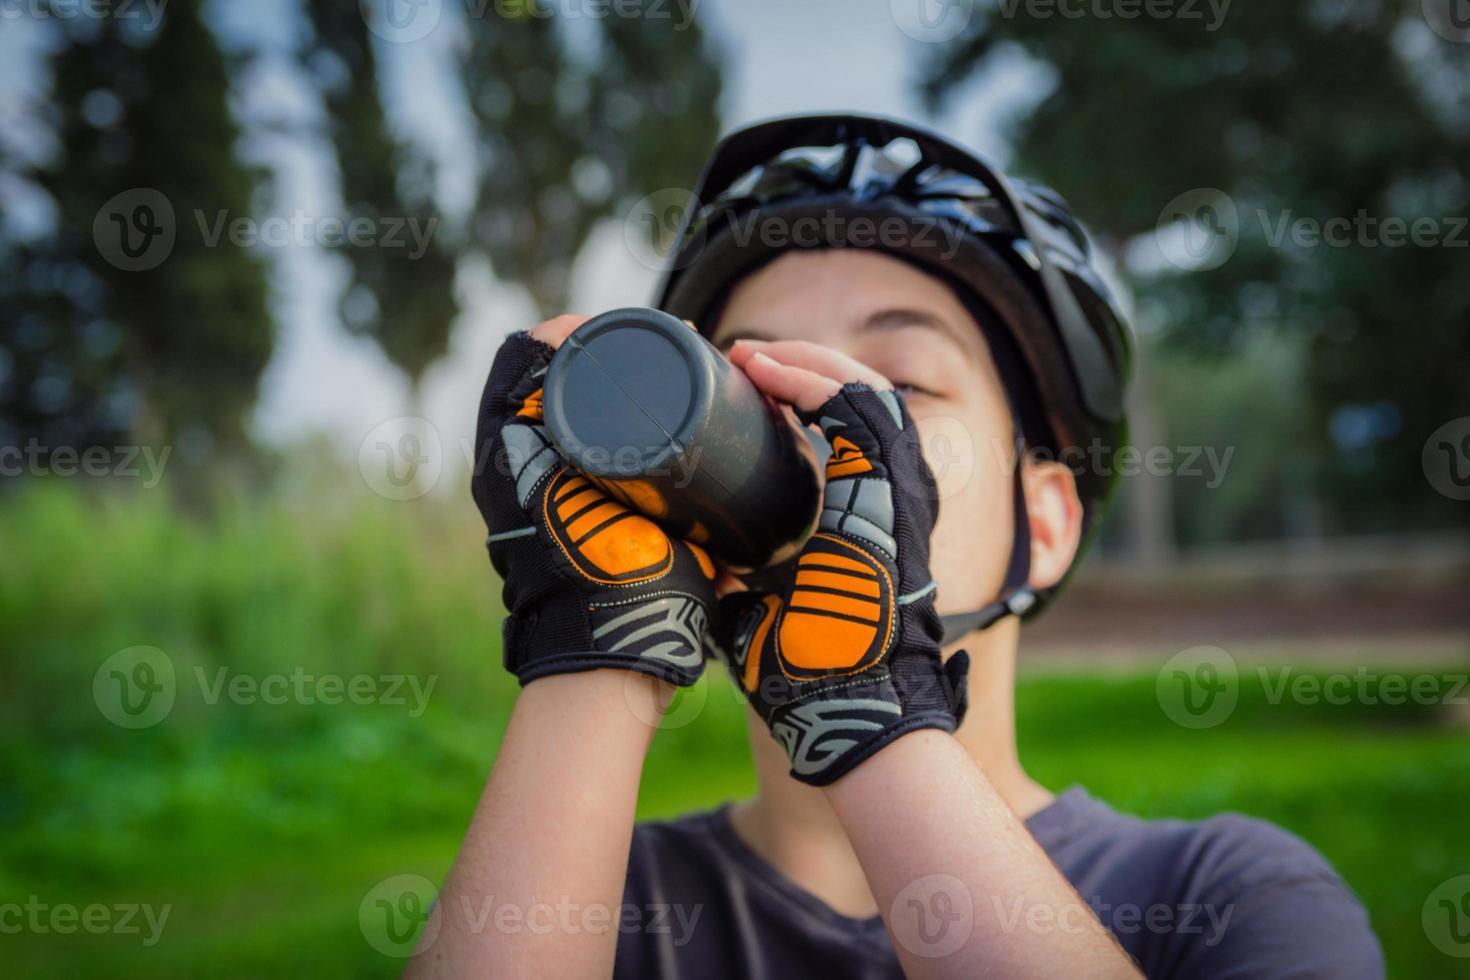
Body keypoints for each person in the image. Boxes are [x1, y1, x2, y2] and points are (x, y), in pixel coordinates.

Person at [412, 114, 1384, 978]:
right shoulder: (594, 911)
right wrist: (593, 638)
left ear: (1045, 522)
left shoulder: (1223, 895)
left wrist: (865, 703)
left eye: (900, 385)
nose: (806, 417)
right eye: (744, 388)